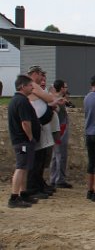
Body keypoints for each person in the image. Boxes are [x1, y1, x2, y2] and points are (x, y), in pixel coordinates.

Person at [7, 75, 40, 208]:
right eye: (30, 85)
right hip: (22, 141)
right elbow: (25, 122)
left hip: (22, 141)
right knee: (21, 167)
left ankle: (23, 193)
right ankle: (14, 197)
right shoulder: (21, 101)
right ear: (22, 86)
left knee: (24, 167)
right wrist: (30, 137)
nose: (32, 87)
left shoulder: (17, 100)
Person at [27, 69, 61, 199]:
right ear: (34, 74)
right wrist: (50, 99)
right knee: (36, 160)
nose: (42, 78)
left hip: (43, 127)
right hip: (37, 127)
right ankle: (33, 187)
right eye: (41, 75)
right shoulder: (32, 86)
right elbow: (49, 98)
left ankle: (38, 184)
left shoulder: (37, 87)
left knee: (41, 160)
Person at [49, 79, 73, 187]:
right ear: (62, 88)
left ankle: (53, 178)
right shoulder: (59, 100)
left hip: (56, 130)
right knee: (61, 155)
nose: (66, 89)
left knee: (55, 156)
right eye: (65, 87)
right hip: (61, 130)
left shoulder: (53, 98)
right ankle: (60, 179)